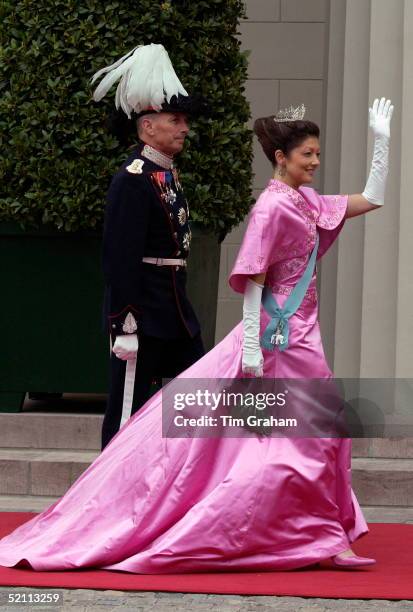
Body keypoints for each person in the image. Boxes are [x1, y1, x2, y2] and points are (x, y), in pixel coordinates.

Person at [0, 97, 393, 572]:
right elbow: (127, 259)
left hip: (226, 323)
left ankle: (316, 531)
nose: (315, 161)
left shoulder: (294, 199)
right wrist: (127, 324)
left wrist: (382, 143)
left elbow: (369, 200)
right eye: (308, 153)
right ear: (281, 158)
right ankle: (118, 507)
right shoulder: (149, 182)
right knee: (145, 431)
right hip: (226, 331)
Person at [96, 44, 205, 448]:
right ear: (148, 127)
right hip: (142, 317)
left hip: (174, 312)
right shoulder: (133, 178)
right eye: (174, 120)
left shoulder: (164, 173)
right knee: (126, 417)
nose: (184, 127)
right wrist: (125, 323)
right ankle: (109, 501)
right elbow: (120, 258)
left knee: (197, 403)